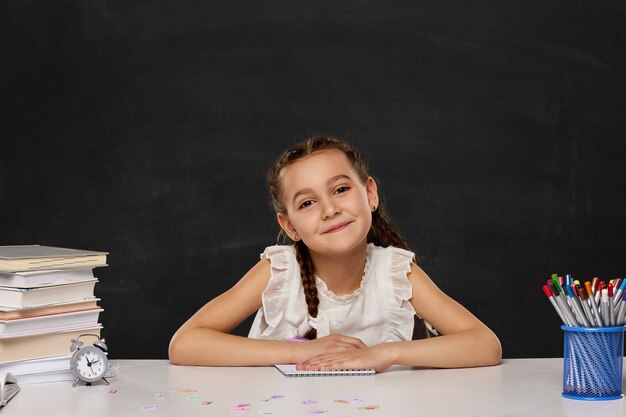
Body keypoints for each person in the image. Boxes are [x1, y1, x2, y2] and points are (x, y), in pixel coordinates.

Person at [169, 136, 501, 372]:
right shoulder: (279, 272)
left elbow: (485, 345)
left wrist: (385, 354)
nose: (329, 209)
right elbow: (184, 344)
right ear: (290, 226)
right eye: (307, 203)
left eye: (341, 189)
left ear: (370, 194)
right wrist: (304, 351)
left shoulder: (395, 272)